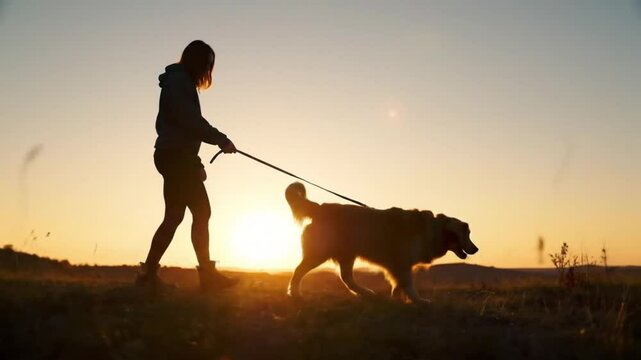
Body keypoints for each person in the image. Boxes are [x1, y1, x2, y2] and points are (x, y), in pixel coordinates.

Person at [136, 40, 238, 292]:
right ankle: (205, 277)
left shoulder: (179, 83)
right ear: (198, 62)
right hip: (175, 158)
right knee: (198, 212)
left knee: (178, 215)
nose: (208, 70)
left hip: (177, 157)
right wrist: (220, 139)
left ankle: (149, 274)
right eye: (207, 64)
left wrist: (196, 162)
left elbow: (186, 130)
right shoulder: (178, 83)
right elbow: (190, 121)